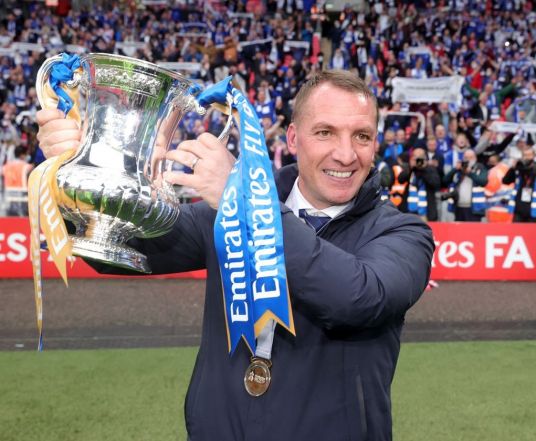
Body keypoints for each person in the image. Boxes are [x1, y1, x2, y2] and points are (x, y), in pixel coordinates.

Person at [36, 70, 435, 441]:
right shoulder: (225, 213)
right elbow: (119, 247)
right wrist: (74, 171)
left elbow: (357, 298)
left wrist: (247, 200)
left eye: (362, 136)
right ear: (293, 139)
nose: (346, 155)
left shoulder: (403, 233)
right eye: (326, 133)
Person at [502, 147, 536, 223]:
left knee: (532, 234)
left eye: (529, 155)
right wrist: (513, 168)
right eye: (524, 155)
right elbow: (505, 181)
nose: (526, 158)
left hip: (534, 212)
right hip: (519, 210)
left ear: (534, 156)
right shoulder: (518, 169)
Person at [442, 149, 488, 222]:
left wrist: (470, 173)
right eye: (466, 158)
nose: (468, 160)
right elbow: (445, 181)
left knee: (473, 231)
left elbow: (483, 182)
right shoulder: (458, 170)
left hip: (474, 209)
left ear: (475, 158)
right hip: (458, 207)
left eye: (471, 157)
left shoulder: (480, 168)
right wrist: (455, 169)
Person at [2, 145, 32, 216]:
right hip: (22, 202)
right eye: (26, 154)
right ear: (22, 155)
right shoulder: (27, 167)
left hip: (7, 201)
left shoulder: (5, 167)